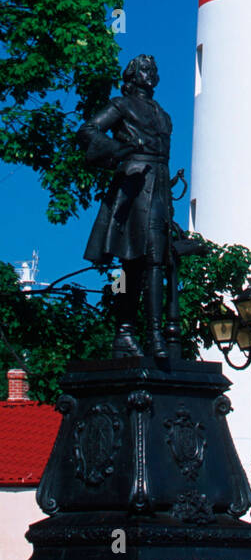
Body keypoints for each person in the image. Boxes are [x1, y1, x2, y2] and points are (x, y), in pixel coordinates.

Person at [79, 55, 173, 361]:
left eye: (154, 69)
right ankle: (130, 332)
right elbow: (88, 131)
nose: (151, 73)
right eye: (145, 69)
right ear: (132, 75)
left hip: (158, 186)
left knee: (155, 261)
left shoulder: (163, 114)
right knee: (133, 263)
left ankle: (152, 333)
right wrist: (117, 151)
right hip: (133, 186)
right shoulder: (121, 105)